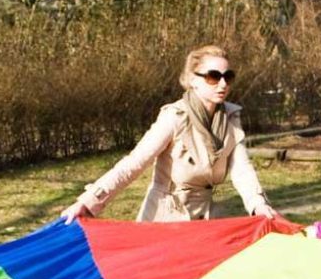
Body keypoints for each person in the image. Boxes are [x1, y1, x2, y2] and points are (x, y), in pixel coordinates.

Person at [60, 44, 277, 223]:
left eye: (228, 77)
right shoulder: (174, 117)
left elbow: (242, 170)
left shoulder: (231, 117)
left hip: (205, 220)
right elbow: (134, 163)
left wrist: (259, 204)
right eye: (213, 76)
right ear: (193, 80)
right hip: (164, 220)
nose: (222, 84)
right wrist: (89, 202)